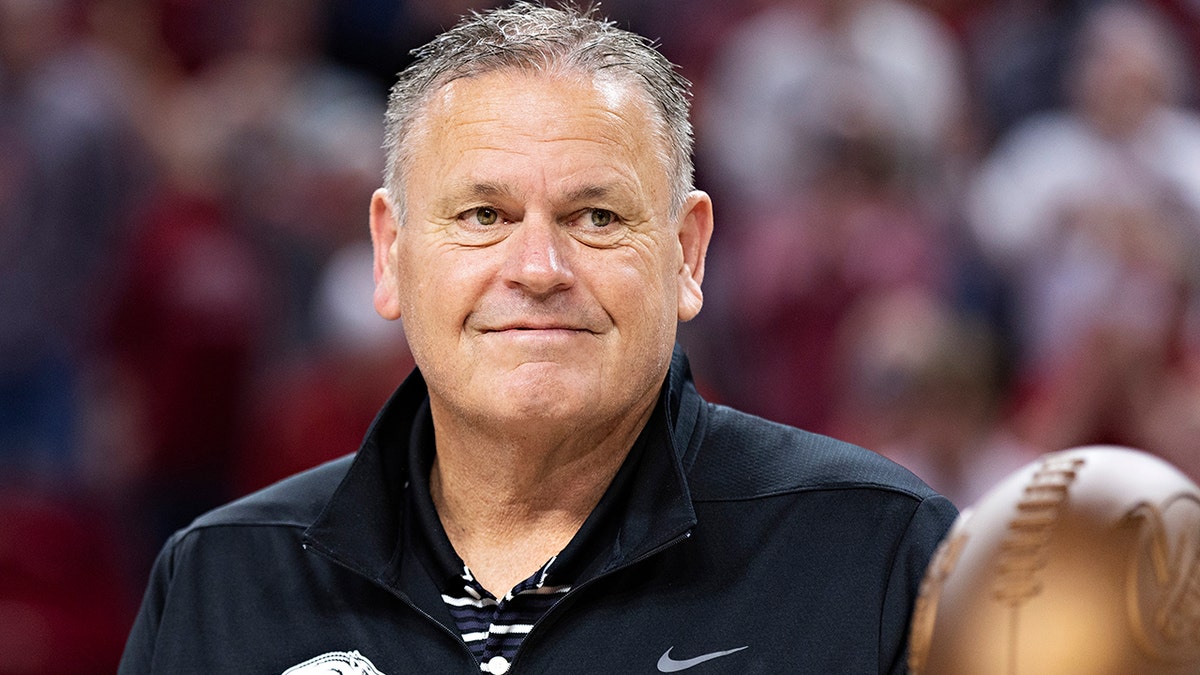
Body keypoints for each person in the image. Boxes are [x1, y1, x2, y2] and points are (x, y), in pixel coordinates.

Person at [117, 3, 957, 673]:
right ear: (390, 254)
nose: (539, 266)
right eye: (483, 215)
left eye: (597, 217)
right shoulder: (219, 581)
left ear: (687, 254)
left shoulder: (881, 558)